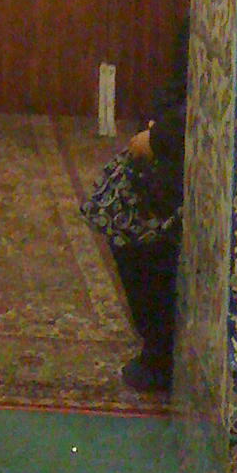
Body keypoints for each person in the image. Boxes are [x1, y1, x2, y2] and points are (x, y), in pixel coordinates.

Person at [81, 23, 188, 393]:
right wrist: (157, 128)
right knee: (118, 192)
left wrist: (158, 138)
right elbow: (179, 86)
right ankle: (158, 341)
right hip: (179, 139)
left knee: (127, 205)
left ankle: (160, 349)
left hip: (188, 154)